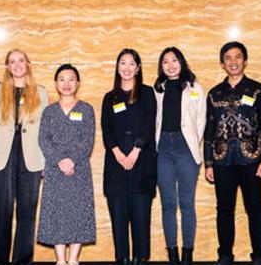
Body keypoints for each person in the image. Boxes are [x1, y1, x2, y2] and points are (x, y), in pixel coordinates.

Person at [204, 41, 261, 265]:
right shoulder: (214, 93)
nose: (233, 62)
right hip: (222, 159)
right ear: (222, 64)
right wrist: (208, 163)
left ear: (245, 61)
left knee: (255, 208)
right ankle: (225, 255)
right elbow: (209, 129)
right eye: (228, 58)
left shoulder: (257, 89)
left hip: (252, 159)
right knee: (224, 209)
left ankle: (259, 256)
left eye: (237, 57)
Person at [0, 48, 48, 265]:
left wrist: (46, 162)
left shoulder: (41, 91)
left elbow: (47, 130)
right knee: (1, 211)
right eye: (12, 61)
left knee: (27, 213)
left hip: (32, 157)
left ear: (27, 63)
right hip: (3, 155)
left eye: (21, 60)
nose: (17, 65)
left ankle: (23, 261)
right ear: (8, 67)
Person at [101, 48, 157, 265]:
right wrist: (117, 153)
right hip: (116, 166)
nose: (126, 68)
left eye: (131, 63)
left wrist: (135, 151)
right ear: (117, 67)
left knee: (141, 216)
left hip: (141, 162)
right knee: (119, 215)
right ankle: (122, 258)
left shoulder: (147, 93)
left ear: (138, 68)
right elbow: (107, 129)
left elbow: (149, 123)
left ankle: (140, 259)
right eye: (122, 63)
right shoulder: (110, 97)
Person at [37, 64, 96, 265]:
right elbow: (43, 140)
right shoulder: (49, 111)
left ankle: (73, 260)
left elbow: (87, 141)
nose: (67, 83)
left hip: (79, 169)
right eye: (62, 79)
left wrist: (72, 160)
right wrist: (59, 161)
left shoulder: (86, 109)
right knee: (57, 213)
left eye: (71, 79)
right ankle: (60, 260)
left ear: (78, 83)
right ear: (56, 83)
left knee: (78, 212)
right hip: (54, 170)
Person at [154, 47, 206, 265]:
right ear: (161, 66)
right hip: (163, 148)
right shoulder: (156, 89)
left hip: (186, 149)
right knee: (168, 203)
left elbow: (202, 120)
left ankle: (187, 255)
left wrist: (192, 142)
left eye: (174, 60)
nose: (170, 65)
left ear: (181, 62)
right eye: (165, 62)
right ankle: (172, 254)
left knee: (187, 203)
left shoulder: (195, 88)